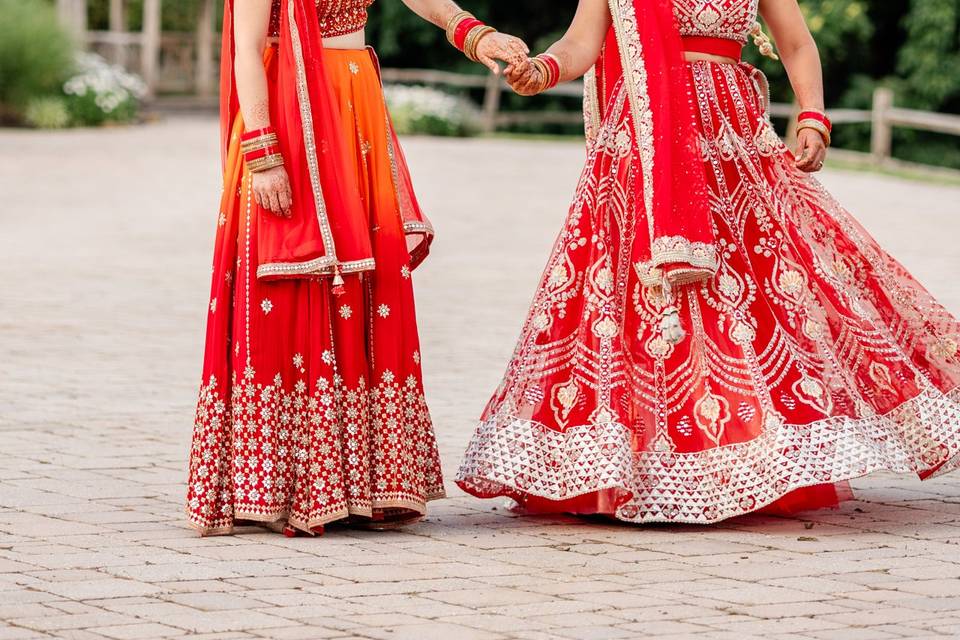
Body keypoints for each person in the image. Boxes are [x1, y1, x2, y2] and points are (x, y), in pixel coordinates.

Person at [456, 0, 960, 524]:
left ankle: (752, 452)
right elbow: (582, 42)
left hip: (733, 143)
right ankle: (631, 463)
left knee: (753, 292)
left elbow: (795, 42)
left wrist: (812, 115)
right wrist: (542, 69)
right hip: (647, 148)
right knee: (638, 298)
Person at [186, 0, 528, 536]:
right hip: (288, 112)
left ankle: (363, 483)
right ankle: (289, 483)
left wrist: (473, 33)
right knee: (297, 282)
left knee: (366, 283)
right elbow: (247, 50)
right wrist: (263, 150)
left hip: (353, 105)